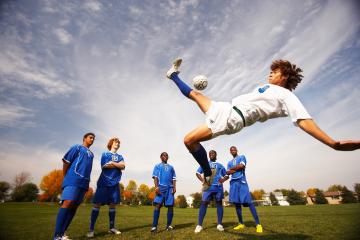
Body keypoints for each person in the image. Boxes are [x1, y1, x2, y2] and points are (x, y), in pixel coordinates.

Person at [166, 58, 360, 181]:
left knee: (189, 140)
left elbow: (303, 120)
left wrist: (331, 143)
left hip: (232, 119)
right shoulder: (269, 88)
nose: (271, 73)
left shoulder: (287, 96)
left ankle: (208, 173)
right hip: (227, 107)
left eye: (275, 72)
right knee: (197, 95)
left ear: (284, 77)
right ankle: (173, 75)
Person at [53, 133, 95, 240]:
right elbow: (66, 161)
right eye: (90, 137)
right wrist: (66, 175)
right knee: (68, 202)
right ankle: (57, 235)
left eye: (93, 138)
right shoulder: (77, 147)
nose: (92, 139)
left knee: (74, 206)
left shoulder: (91, 154)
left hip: (84, 182)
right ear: (84, 138)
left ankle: (62, 233)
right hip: (73, 179)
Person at [87, 137, 125, 238]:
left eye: (118, 143)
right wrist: (118, 165)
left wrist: (112, 163)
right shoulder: (105, 154)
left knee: (112, 205)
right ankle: (91, 230)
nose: (117, 144)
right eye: (115, 142)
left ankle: (111, 228)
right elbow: (104, 166)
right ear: (111, 144)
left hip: (115, 183)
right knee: (97, 204)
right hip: (104, 182)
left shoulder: (120, 156)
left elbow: (123, 166)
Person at [225, 146, 262, 233]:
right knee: (237, 204)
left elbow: (242, 166)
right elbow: (228, 172)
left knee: (249, 202)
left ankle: (258, 224)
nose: (232, 151)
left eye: (234, 149)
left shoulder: (242, 157)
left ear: (236, 150)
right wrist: (236, 168)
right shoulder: (229, 162)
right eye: (231, 150)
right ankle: (241, 223)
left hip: (242, 181)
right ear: (230, 152)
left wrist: (233, 169)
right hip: (233, 183)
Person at [194, 150, 227, 233]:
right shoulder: (204, 163)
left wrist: (221, 181)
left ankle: (219, 224)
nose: (211, 155)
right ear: (208, 156)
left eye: (213, 153)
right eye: (210, 154)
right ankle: (199, 225)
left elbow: (226, 175)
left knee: (219, 203)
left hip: (218, 187)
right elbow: (197, 173)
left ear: (216, 155)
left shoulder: (220, 165)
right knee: (204, 203)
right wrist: (203, 181)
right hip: (207, 187)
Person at [151, 152, 177, 233]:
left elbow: (174, 178)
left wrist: (174, 187)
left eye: (166, 155)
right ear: (161, 157)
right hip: (161, 187)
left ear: (168, 157)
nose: (165, 156)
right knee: (158, 205)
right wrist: (156, 187)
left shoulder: (171, 167)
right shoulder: (157, 166)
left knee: (170, 206)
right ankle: (154, 227)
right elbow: (155, 177)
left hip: (170, 188)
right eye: (163, 155)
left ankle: (168, 226)